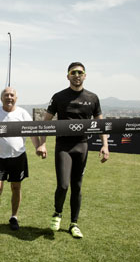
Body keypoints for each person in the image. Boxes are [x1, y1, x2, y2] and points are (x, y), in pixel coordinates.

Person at [37, 62, 110, 239]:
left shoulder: (93, 98)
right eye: (73, 72)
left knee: (77, 187)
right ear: (68, 75)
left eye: (80, 72)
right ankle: (57, 213)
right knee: (63, 185)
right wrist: (42, 143)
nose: (77, 75)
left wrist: (105, 145)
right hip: (63, 146)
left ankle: (74, 223)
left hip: (82, 146)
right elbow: (46, 121)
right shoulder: (59, 97)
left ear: (85, 75)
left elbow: (100, 124)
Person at [0, 87, 41, 240]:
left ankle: (14, 217)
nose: (9, 97)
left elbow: (31, 132)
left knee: (16, 187)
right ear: (1, 98)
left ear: (16, 98)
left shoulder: (22, 113)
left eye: (12, 95)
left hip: (18, 156)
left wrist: (38, 146)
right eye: (6, 95)